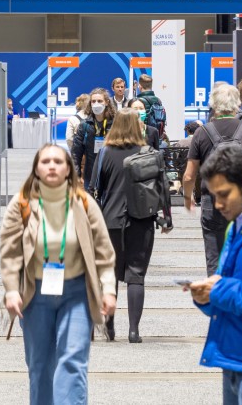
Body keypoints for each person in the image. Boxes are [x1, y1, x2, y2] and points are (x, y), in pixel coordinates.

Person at [0, 143, 116, 405]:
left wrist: (108, 289)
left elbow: (104, 252)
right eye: (45, 161)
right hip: (34, 292)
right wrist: (10, 289)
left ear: (68, 170)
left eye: (58, 161)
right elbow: (9, 253)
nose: (52, 166)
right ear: (36, 170)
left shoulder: (84, 203)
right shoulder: (21, 204)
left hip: (76, 293)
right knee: (39, 366)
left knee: (72, 361)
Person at [189, 145, 242, 405]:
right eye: (213, 195)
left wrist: (219, 291)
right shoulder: (237, 226)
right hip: (237, 360)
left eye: (223, 194)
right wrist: (207, 298)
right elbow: (228, 291)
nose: (217, 204)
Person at [89, 108, 171, 344]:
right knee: (136, 275)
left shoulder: (105, 153)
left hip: (110, 220)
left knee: (110, 274)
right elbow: (163, 188)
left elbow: (94, 188)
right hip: (142, 220)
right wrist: (167, 219)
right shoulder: (150, 153)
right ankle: (134, 331)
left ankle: (110, 328)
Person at [183, 83, 242, 275]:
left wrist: (187, 197)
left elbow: (189, 175)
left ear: (213, 105)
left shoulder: (202, 132)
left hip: (212, 202)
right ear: (236, 104)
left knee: (214, 260)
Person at [71, 88, 115, 190]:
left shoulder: (115, 124)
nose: (96, 104)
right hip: (90, 174)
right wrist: (76, 175)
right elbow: (76, 153)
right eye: (93, 101)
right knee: (91, 204)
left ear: (107, 102)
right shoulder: (84, 125)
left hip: (111, 173)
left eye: (99, 101)